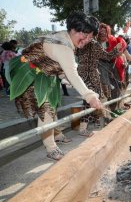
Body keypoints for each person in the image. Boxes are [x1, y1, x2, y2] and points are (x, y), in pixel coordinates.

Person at [9, 11, 102, 160]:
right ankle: (51, 148)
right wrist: (90, 96)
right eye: (84, 35)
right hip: (30, 74)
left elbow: (63, 70)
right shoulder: (63, 45)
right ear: (73, 29)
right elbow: (72, 74)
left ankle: (56, 134)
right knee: (46, 110)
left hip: (44, 74)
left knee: (53, 106)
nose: (86, 40)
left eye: (90, 37)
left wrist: (68, 80)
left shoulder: (66, 39)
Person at [76, 24, 121, 136]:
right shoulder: (94, 44)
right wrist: (116, 50)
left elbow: (75, 54)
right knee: (91, 101)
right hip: (91, 76)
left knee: (90, 101)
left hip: (82, 76)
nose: (102, 34)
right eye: (100, 32)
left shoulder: (80, 42)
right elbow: (107, 56)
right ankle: (85, 128)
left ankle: (102, 121)